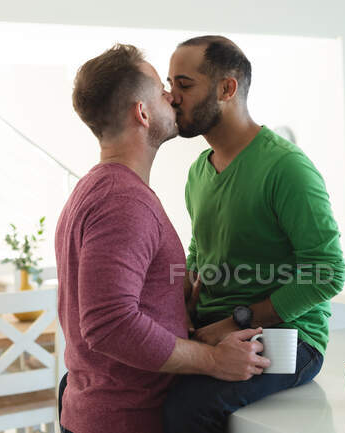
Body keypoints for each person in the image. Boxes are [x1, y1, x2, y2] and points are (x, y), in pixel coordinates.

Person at [55, 43, 270, 433]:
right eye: (161, 90)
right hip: (126, 420)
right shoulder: (122, 201)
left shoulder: (98, 188)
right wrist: (213, 360)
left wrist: (174, 297)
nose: (172, 97)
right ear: (142, 112)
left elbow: (115, 301)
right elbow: (110, 325)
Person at [163, 35, 345, 433]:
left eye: (184, 84)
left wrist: (236, 320)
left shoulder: (287, 167)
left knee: (183, 409)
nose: (171, 97)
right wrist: (188, 286)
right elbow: (202, 246)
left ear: (227, 88)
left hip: (290, 338)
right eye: (170, 84)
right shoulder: (198, 171)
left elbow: (328, 272)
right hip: (216, 328)